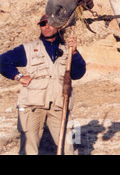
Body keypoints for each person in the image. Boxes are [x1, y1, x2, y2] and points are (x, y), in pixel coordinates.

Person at [0, 15, 86, 155]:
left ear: (59, 27)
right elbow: (2, 61)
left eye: (50, 23)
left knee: (67, 148)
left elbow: (78, 73)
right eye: (42, 24)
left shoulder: (68, 50)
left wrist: (74, 52)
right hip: (32, 106)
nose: (46, 26)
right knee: (29, 149)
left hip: (60, 105)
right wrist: (18, 76)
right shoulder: (28, 49)